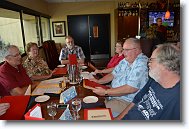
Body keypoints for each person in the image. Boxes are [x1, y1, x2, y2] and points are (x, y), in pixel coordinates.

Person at [115, 43, 180, 120]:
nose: (148, 63)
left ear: (164, 64)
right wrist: (118, 119)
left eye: (151, 60)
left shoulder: (177, 100)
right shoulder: (154, 80)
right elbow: (136, 101)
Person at [90, 38, 149, 115]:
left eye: (126, 50)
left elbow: (130, 88)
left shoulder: (141, 64)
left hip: (127, 101)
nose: (123, 52)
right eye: (123, 49)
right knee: (91, 99)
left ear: (137, 50)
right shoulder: (125, 60)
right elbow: (112, 74)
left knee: (98, 111)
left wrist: (106, 92)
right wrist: (98, 82)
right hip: (113, 93)